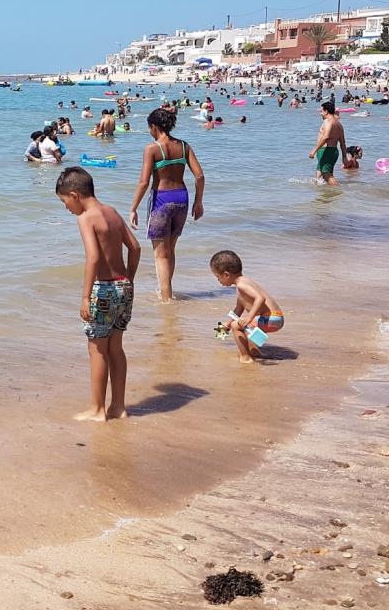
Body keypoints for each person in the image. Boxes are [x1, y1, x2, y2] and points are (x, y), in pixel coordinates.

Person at [54, 166, 141, 422]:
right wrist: (129, 279)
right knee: (116, 348)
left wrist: (84, 298)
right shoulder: (112, 212)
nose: (67, 208)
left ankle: (97, 410)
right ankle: (119, 407)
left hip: (102, 290)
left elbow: (92, 258)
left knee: (97, 350)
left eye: (64, 202)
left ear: (75, 195)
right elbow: (135, 248)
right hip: (124, 286)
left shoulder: (86, 217)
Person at [128, 107, 205, 303]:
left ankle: (166, 299)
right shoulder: (184, 146)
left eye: (149, 128)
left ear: (154, 127)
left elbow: (144, 182)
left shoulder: (152, 149)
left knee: (160, 254)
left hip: (161, 199)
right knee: (170, 249)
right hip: (182, 198)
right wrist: (199, 202)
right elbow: (200, 176)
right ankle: (166, 291)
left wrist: (133, 207)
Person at [210, 250, 283, 364]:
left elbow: (260, 298)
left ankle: (246, 357)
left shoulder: (242, 284)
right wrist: (227, 323)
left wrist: (249, 317)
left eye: (218, 277)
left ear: (226, 275)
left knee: (237, 325)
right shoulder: (242, 285)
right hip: (275, 318)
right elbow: (238, 310)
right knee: (240, 324)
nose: (218, 280)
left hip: (271, 318)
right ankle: (255, 352)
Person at [309, 102, 346, 186]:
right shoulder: (339, 124)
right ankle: (323, 195)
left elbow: (326, 137)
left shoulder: (328, 121)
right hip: (333, 151)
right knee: (319, 174)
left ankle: (339, 191)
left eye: (321, 111)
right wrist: (344, 157)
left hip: (326, 151)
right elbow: (342, 143)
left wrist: (314, 150)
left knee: (326, 175)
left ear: (326, 111)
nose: (320, 113)